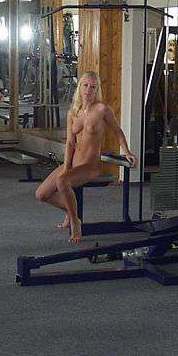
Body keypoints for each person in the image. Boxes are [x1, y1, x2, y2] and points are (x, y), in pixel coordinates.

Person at [35, 71, 136, 243]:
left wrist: (127, 152)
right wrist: (67, 167)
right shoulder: (73, 112)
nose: (88, 90)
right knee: (41, 194)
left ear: (97, 90)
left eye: (92, 87)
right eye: (85, 85)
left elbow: (117, 131)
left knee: (62, 182)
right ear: (80, 87)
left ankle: (75, 222)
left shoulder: (102, 109)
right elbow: (70, 143)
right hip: (73, 163)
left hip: (89, 166)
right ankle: (70, 211)